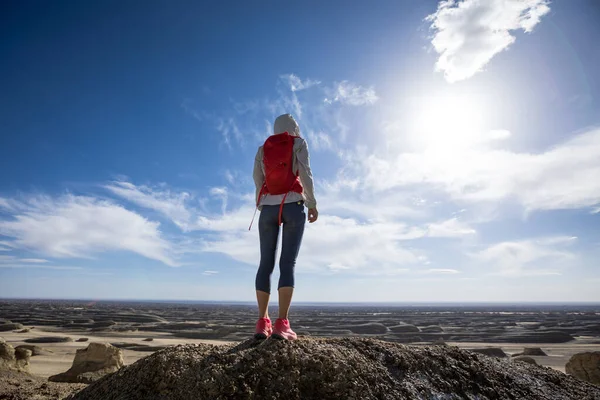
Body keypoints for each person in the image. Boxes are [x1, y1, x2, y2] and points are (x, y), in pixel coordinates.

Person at [252, 113, 318, 340]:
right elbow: (306, 173)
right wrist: (312, 203)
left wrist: (261, 204)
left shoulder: (263, 149)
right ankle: (282, 323)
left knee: (265, 264)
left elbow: (257, 178)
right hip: (293, 205)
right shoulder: (298, 143)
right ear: (294, 128)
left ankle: (262, 322)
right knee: (287, 263)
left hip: (268, 208)